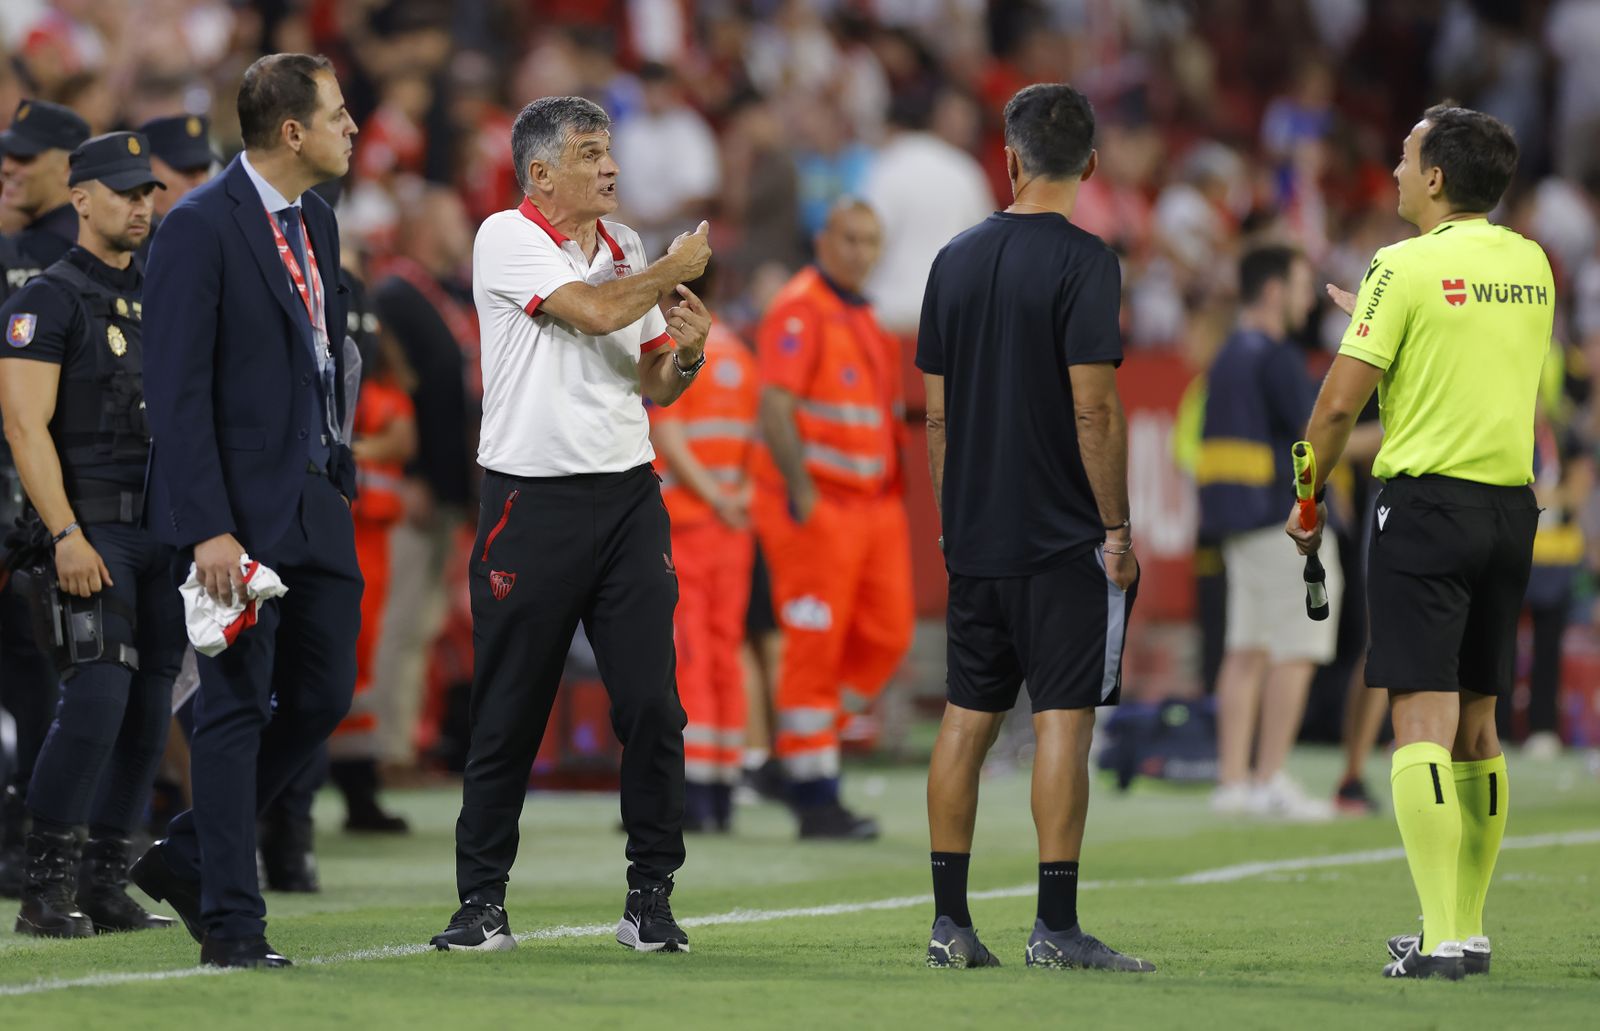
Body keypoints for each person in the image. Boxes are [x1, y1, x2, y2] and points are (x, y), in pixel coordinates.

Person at [428, 95, 710, 955]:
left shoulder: (622, 249)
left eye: (610, 150)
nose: (611, 167)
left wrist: (690, 352)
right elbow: (591, 312)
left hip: (628, 497)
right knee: (509, 710)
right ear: (541, 174)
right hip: (530, 501)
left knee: (654, 707)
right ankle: (481, 903)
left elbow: (655, 383)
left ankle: (650, 896)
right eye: (591, 153)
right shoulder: (505, 238)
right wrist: (672, 271)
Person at [1288, 105, 1551, 980]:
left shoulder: (1398, 266)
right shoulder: (1532, 264)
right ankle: (1465, 926)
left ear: (1435, 178)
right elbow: (1470, 346)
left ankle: (1443, 940)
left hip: (1426, 511)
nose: (1395, 174)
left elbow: (1334, 408)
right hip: (1511, 514)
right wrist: (1381, 311)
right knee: (1480, 727)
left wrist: (1305, 496)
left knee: (1422, 725)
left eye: (1404, 160)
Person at [130, 53, 361, 970]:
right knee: (229, 711)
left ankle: (188, 855)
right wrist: (208, 527)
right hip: (234, 514)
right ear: (293, 131)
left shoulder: (319, 221)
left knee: (321, 694)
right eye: (339, 114)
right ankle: (232, 924)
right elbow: (176, 391)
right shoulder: (196, 228)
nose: (354, 127)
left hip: (313, 500)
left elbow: (317, 359)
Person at [919, 83, 1153, 973]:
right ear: (1090, 165)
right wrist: (1118, 529)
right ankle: (1055, 927)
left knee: (964, 719)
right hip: (1062, 538)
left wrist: (954, 520)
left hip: (975, 534)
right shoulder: (1087, 261)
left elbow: (935, 419)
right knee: (1063, 720)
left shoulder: (954, 258)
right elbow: (1094, 410)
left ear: (1009, 158)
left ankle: (949, 924)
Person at [0, 131, 181, 938]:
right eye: (124, 192)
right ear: (81, 199)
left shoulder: (164, 294)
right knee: (98, 698)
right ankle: (44, 890)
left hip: (166, 534)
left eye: (148, 193)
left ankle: (106, 882)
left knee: (148, 711)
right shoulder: (46, 297)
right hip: (93, 530)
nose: (141, 206)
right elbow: (23, 425)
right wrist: (64, 532)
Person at [752, 199, 914, 840]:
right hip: (818, 505)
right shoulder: (801, 306)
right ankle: (816, 796)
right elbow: (775, 405)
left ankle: (795, 758)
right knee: (813, 650)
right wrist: (802, 494)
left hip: (874, 507)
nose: (860, 252)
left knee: (888, 635)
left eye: (871, 241)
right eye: (849, 239)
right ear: (824, 240)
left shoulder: (866, 317)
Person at [1200, 245, 1340, 822]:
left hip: (1236, 524)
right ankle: (1271, 775)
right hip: (1283, 525)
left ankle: (1235, 781)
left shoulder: (1229, 353)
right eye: (1303, 285)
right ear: (1276, 290)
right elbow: (1318, 436)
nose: (1309, 300)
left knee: (1245, 650)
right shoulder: (1278, 356)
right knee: (1295, 651)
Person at [0, 97, 89, 898]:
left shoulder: (87, 258)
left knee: (53, 674)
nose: (9, 166)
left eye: (25, 156)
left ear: (70, 165)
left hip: (67, 509)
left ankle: (49, 839)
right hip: (33, 504)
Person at [647, 263, 758, 833]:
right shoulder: (740, 353)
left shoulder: (679, 347)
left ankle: (693, 792)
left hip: (691, 523)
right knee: (723, 655)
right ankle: (722, 788)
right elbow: (751, 442)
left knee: (687, 655)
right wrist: (734, 500)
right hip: (733, 526)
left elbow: (668, 431)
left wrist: (713, 497)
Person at [0, 99, 90, 293]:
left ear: (68, 169)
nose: (6, 167)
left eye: (24, 157)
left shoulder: (41, 250)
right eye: (7, 154)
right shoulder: (94, 230)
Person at [134, 114, 217, 264]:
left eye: (204, 169)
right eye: (187, 170)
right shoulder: (127, 250)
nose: (200, 181)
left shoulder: (219, 238)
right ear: (148, 168)